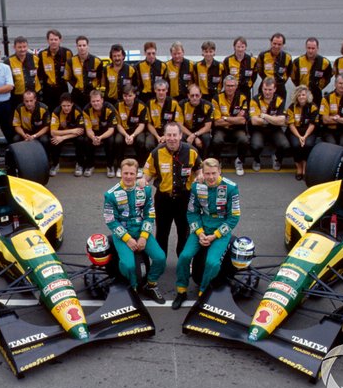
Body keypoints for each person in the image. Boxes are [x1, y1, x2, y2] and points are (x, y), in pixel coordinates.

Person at [171, 158, 240, 309]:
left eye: (213, 173)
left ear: (220, 171)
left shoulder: (231, 188)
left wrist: (215, 235)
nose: (210, 177)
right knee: (184, 256)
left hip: (220, 231)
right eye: (207, 173)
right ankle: (181, 290)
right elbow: (192, 213)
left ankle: (203, 291)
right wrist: (200, 233)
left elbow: (234, 217)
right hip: (201, 228)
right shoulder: (197, 186)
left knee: (212, 263)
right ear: (202, 172)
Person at [103, 158, 166, 303]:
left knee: (160, 258)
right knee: (128, 265)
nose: (129, 177)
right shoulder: (111, 194)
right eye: (126, 173)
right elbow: (111, 221)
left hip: (141, 231)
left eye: (132, 173)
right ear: (121, 173)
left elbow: (149, 215)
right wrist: (128, 239)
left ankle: (151, 284)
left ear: (137, 173)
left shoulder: (146, 190)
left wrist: (143, 237)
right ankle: (133, 287)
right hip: (123, 234)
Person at [141, 122, 203, 258]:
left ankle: (183, 261)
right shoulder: (156, 153)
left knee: (184, 232)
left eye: (175, 135)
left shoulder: (191, 151)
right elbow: (148, 173)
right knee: (162, 232)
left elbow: (199, 169)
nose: (172, 138)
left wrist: (200, 176)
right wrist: (143, 180)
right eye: (168, 135)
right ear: (164, 135)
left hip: (185, 199)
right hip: (163, 199)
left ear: (180, 136)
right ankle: (160, 261)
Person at [211, 75, 250, 176]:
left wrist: (225, 118)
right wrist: (235, 119)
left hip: (237, 129)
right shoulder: (216, 98)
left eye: (232, 86)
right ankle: (217, 162)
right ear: (224, 86)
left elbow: (242, 121)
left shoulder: (242, 98)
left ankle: (239, 161)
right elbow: (216, 122)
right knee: (217, 140)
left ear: (236, 86)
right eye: (228, 85)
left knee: (244, 139)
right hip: (221, 129)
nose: (230, 88)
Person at [248, 77, 289, 172]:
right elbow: (254, 121)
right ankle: (257, 160)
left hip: (274, 129)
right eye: (265, 89)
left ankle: (277, 158)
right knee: (256, 146)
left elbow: (282, 121)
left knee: (285, 145)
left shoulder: (280, 100)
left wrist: (264, 116)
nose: (267, 92)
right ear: (262, 88)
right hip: (259, 129)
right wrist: (273, 118)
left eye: (270, 90)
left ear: (274, 89)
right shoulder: (255, 100)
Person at [114, 83, 152, 171]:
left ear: (134, 95)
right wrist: (126, 135)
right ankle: (120, 166)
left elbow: (142, 125)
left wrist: (133, 135)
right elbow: (118, 125)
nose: (127, 98)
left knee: (141, 140)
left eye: (130, 96)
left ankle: (140, 165)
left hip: (137, 131)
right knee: (118, 140)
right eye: (125, 96)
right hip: (123, 130)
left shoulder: (141, 106)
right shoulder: (117, 105)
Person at [49, 92, 87, 177]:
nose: (66, 108)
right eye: (64, 106)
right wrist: (72, 131)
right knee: (53, 140)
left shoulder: (78, 111)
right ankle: (55, 164)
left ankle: (79, 165)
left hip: (73, 136)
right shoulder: (56, 112)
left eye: (68, 106)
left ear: (72, 104)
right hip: (63, 133)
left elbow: (80, 131)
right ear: (60, 105)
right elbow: (53, 132)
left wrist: (63, 137)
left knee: (81, 140)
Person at [287, 85, 320, 181]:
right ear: (296, 97)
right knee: (296, 145)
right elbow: (291, 125)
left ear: (307, 96)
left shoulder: (313, 107)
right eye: (299, 95)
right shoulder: (291, 107)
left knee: (308, 144)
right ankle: (299, 168)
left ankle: (305, 168)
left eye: (303, 95)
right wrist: (299, 137)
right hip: (295, 131)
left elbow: (312, 124)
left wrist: (304, 136)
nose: (301, 97)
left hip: (309, 131)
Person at [83, 90, 118, 178]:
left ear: (102, 100)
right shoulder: (86, 110)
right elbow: (88, 129)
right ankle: (90, 166)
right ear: (90, 102)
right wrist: (93, 137)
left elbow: (111, 130)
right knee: (87, 140)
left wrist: (100, 138)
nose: (95, 103)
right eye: (93, 101)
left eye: (97, 101)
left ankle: (110, 166)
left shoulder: (110, 108)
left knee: (111, 140)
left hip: (106, 132)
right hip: (94, 132)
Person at [291, 37, 332, 105]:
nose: (310, 51)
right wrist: (301, 88)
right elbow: (293, 77)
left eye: (313, 48)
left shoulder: (325, 62)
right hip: (301, 95)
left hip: (316, 95)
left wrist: (319, 87)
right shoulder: (297, 62)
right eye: (309, 48)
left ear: (317, 48)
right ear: (306, 48)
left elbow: (327, 78)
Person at [320, 74, 343, 148]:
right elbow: (325, 120)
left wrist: (336, 118)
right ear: (335, 84)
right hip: (328, 130)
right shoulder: (326, 98)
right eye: (340, 83)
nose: (342, 86)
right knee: (332, 145)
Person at [66, 35, 104, 110]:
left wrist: (92, 85)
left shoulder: (97, 61)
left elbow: (100, 77)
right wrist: (76, 85)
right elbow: (68, 77)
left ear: (87, 46)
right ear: (76, 47)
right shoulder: (70, 61)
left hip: (91, 94)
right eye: (79, 45)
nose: (82, 48)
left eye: (84, 45)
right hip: (76, 94)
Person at [39, 29, 72, 108]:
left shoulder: (67, 53)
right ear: (48, 40)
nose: (53, 42)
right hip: (48, 90)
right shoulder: (42, 54)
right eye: (51, 39)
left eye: (56, 39)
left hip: (62, 88)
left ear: (60, 40)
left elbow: (72, 71)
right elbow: (39, 73)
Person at [12, 90, 51, 156]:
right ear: (23, 101)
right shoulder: (18, 109)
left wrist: (35, 136)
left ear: (35, 99)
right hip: (26, 133)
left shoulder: (44, 108)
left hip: (39, 132)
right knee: (16, 139)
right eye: (26, 101)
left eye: (31, 101)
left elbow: (47, 127)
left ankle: (47, 159)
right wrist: (23, 135)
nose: (29, 104)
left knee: (45, 140)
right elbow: (16, 125)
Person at [180, 83, 214, 160]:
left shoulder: (208, 105)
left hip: (201, 132)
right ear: (188, 95)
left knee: (206, 138)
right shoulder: (182, 105)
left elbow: (208, 127)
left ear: (201, 95)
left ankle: (204, 161)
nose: (195, 98)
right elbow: (179, 125)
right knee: (181, 137)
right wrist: (193, 136)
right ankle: (184, 161)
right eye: (192, 95)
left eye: (197, 95)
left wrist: (194, 135)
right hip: (187, 131)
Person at [8, 36, 42, 110]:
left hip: (35, 95)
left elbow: (41, 74)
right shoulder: (9, 61)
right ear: (14, 47)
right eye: (19, 47)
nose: (22, 49)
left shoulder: (35, 58)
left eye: (24, 47)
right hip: (17, 96)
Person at [147, 79, 183, 146]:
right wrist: (157, 136)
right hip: (155, 132)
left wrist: (166, 136)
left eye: (163, 90)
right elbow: (149, 124)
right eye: (159, 90)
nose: (161, 92)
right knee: (149, 144)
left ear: (167, 90)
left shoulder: (174, 103)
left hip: (170, 132)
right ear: (155, 90)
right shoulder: (149, 103)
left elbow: (178, 122)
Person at [257, 33, 292, 100]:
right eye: (274, 43)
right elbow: (259, 70)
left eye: (279, 44)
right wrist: (267, 80)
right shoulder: (263, 55)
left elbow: (289, 72)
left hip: (280, 88)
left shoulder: (287, 57)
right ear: (271, 43)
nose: (276, 46)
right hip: (265, 86)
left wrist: (281, 81)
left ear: (283, 45)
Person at [223, 36, 258, 100]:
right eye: (238, 47)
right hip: (232, 90)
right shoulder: (228, 60)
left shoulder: (252, 60)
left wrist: (249, 85)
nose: (240, 49)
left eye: (242, 47)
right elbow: (225, 75)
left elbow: (254, 75)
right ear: (234, 47)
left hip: (246, 90)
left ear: (245, 47)